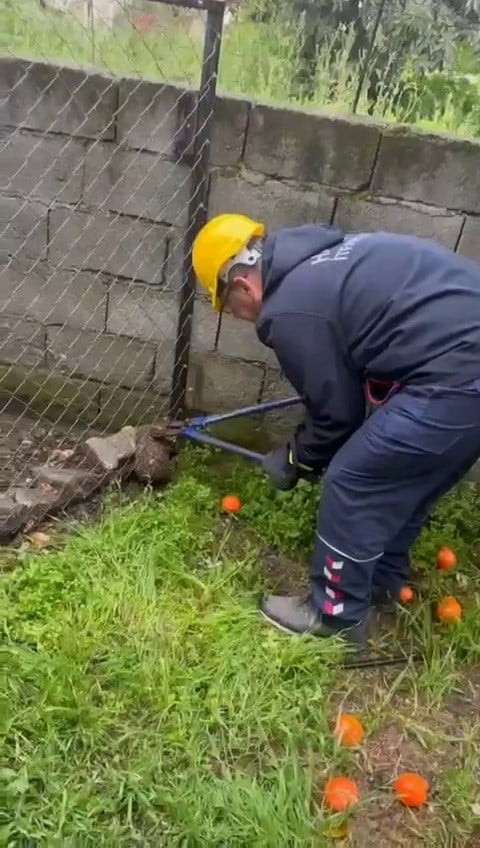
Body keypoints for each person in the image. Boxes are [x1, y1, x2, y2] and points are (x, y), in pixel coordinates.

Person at [192, 213, 480, 648]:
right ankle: (381, 582)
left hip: (455, 379)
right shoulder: (325, 258)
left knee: (353, 478)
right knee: (408, 480)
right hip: (462, 371)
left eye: (231, 309)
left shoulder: (288, 309)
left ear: (242, 286)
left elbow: (337, 417)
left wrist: (294, 459)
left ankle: (334, 615)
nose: (241, 318)